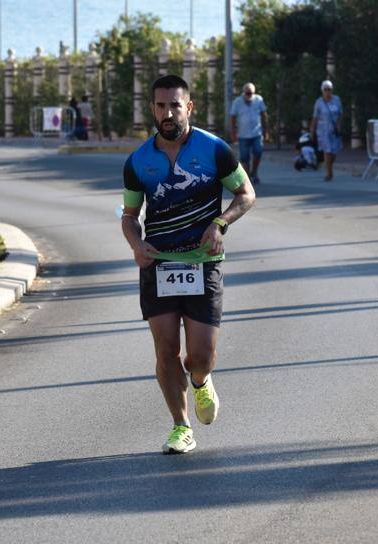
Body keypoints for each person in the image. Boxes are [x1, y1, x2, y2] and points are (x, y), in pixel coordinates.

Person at [120, 74, 256, 454]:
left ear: (189, 107)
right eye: (161, 106)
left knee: (199, 357)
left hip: (203, 264)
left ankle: (200, 381)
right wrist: (136, 244)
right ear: (152, 109)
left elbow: (246, 193)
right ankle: (181, 426)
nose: (168, 113)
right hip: (159, 265)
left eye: (175, 105)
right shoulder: (138, 162)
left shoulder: (215, 150)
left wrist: (220, 223)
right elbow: (130, 215)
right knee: (165, 351)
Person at [229, 82, 268, 184]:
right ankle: (248, 176)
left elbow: (264, 115)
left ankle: (254, 172)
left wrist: (266, 130)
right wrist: (233, 132)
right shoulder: (237, 102)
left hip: (257, 133)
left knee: (258, 152)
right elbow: (232, 117)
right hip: (243, 134)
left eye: (251, 93)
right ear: (244, 92)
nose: (249, 95)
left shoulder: (258, 100)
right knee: (245, 157)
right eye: (247, 93)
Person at [310, 79, 342, 181]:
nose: (328, 91)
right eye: (325, 89)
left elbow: (339, 115)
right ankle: (329, 173)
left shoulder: (337, 100)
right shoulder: (319, 102)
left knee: (334, 151)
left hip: (334, 130)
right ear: (322, 90)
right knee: (327, 151)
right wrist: (312, 130)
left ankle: (328, 165)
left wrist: (339, 126)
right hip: (323, 131)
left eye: (329, 89)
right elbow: (315, 117)